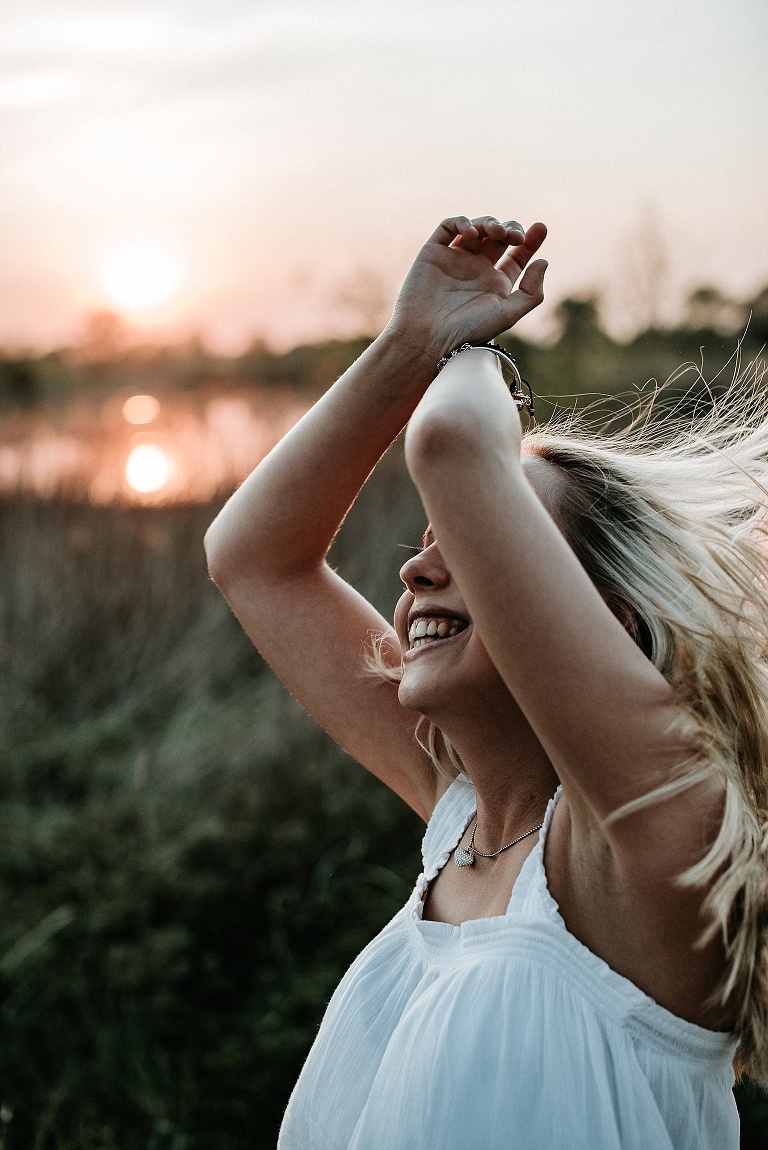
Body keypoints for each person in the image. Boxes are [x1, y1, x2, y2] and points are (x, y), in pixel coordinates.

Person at [204, 216, 768, 1149]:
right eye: (427, 545)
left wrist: (464, 345)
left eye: (470, 543)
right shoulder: (460, 818)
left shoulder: (658, 843)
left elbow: (457, 450)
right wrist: (404, 347)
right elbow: (254, 557)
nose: (417, 573)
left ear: (610, 623)